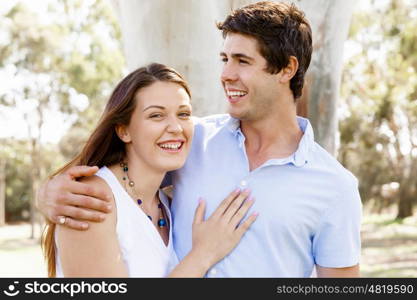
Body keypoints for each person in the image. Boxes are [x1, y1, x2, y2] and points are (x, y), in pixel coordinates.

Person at [38, 1, 362, 277]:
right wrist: (50, 192)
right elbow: (121, 161)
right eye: (225, 59)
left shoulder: (335, 186)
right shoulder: (191, 140)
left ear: (286, 69)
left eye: (242, 61)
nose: (226, 74)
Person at [41, 63, 257, 277]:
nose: (176, 128)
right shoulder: (90, 201)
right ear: (124, 131)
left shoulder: (164, 201)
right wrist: (204, 254)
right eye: (156, 115)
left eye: (183, 114)